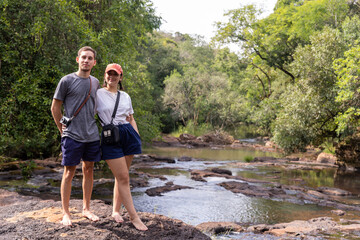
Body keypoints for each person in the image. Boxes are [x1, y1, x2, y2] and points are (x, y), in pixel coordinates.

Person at [51, 46, 101, 226]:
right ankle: (65, 212)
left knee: (89, 170)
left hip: (92, 135)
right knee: (69, 172)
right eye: (84, 57)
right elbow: (55, 107)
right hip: (72, 134)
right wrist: (61, 129)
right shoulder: (66, 81)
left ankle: (86, 208)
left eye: (90, 58)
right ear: (77, 59)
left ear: (94, 63)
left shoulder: (95, 83)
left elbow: (98, 106)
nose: (86, 61)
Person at [96, 63, 148, 231]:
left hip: (128, 135)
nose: (112, 77)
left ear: (120, 77)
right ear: (104, 76)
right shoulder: (97, 94)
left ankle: (116, 211)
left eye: (115, 74)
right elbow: (84, 110)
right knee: (124, 177)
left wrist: (137, 136)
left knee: (122, 177)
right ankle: (134, 217)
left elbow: (130, 117)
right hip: (110, 136)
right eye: (109, 74)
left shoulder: (125, 96)